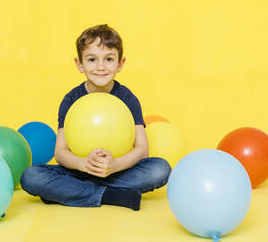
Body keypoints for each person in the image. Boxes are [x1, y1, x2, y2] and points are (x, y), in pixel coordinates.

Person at [20, 24, 171, 211]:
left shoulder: (127, 98)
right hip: (77, 171)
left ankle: (69, 193)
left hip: (117, 171)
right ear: (80, 64)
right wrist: (84, 164)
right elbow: (60, 152)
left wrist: (114, 165)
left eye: (108, 59)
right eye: (92, 60)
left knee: (160, 169)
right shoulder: (71, 99)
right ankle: (110, 195)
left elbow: (142, 149)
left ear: (120, 64)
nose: (100, 67)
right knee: (31, 176)